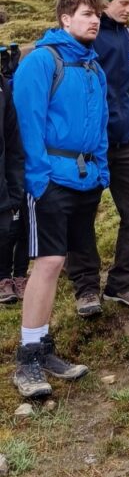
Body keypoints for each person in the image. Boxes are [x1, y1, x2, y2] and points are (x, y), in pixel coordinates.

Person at [12, 0, 109, 397]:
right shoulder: (40, 62)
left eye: (98, 17)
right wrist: (39, 179)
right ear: (65, 19)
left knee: (63, 259)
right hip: (51, 178)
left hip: (85, 179)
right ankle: (27, 359)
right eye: (88, 15)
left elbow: (101, 122)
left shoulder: (93, 67)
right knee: (49, 262)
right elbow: (27, 124)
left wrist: (101, 169)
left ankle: (45, 346)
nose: (95, 22)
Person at [66, 0, 129, 314]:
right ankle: (86, 288)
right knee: (81, 214)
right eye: (124, 3)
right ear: (104, 2)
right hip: (90, 144)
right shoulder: (86, 36)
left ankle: (122, 283)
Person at [0, 51, 25, 305]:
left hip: (5, 178)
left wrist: (15, 184)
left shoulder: (2, 85)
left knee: (9, 228)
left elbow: (12, 141)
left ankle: (9, 278)